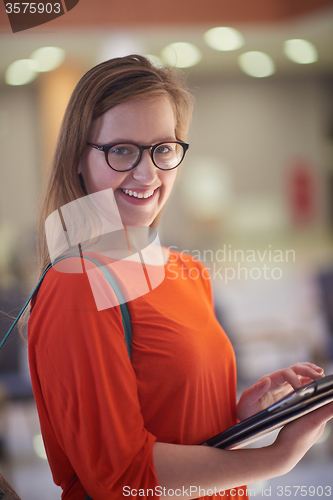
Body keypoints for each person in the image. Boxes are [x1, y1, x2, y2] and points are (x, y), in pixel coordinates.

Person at [27, 55, 333, 500]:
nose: (148, 172)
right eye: (122, 149)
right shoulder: (78, 285)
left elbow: (177, 427)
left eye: (163, 148)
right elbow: (123, 480)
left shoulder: (186, 271)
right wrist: (277, 458)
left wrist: (236, 417)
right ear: (79, 157)